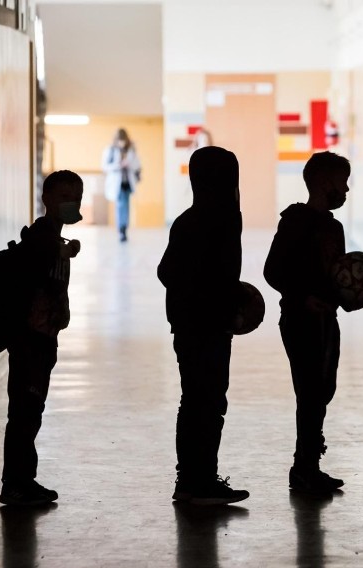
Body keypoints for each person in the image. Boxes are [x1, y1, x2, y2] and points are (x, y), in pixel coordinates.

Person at [264, 151, 363, 495]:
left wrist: (348, 299)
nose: (347, 190)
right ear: (325, 183)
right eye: (343, 182)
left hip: (327, 319)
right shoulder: (295, 220)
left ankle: (310, 464)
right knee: (309, 392)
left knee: (322, 390)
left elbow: (334, 275)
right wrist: (302, 297)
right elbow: (273, 270)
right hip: (299, 319)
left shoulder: (333, 227)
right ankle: (304, 467)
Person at [157, 146, 250, 506]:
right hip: (202, 325)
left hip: (199, 323)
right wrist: (211, 295)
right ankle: (198, 483)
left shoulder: (200, 218)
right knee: (205, 402)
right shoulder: (210, 220)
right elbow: (168, 272)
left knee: (199, 400)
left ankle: (195, 480)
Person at [0, 169, 83, 506]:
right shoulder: (41, 238)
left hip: (43, 339)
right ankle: (16, 483)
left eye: (75, 197)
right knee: (24, 412)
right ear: (47, 199)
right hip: (30, 340)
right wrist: (62, 252)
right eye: (64, 197)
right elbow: (40, 265)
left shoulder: (54, 238)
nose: (71, 203)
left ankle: (23, 480)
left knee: (30, 411)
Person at [102, 128, 142, 242]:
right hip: (116, 183)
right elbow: (105, 166)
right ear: (116, 140)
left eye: (123, 140)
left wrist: (128, 164)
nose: (122, 142)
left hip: (127, 182)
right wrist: (119, 165)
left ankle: (124, 228)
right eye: (120, 140)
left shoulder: (131, 150)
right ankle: (121, 229)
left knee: (126, 206)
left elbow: (137, 165)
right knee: (120, 206)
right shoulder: (110, 150)